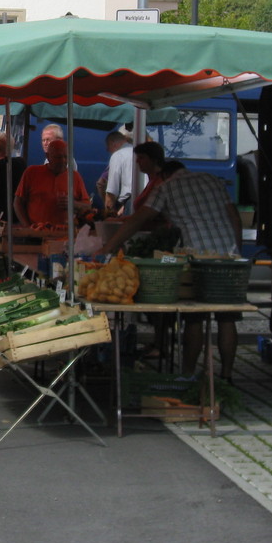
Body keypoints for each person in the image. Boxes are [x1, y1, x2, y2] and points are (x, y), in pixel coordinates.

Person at [100, 168, 244, 382]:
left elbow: (138, 220)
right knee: (227, 317)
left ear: (166, 174)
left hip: (197, 257)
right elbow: (234, 217)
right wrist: (236, 253)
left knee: (194, 318)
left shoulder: (165, 188)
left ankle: (187, 374)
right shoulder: (212, 179)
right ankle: (227, 376)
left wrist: (108, 247)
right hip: (228, 256)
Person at [14, 138, 90, 229]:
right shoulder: (32, 172)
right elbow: (18, 202)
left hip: (64, 233)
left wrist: (74, 204)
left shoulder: (75, 176)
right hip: (37, 232)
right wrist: (27, 227)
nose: (63, 160)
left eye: (66, 157)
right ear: (47, 156)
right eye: (58, 157)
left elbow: (88, 206)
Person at [103, 130, 135, 217]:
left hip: (129, 204)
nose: (107, 150)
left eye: (108, 146)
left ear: (113, 143)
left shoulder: (118, 155)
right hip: (145, 200)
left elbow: (112, 191)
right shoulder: (137, 153)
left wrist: (107, 215)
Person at [131, 141, 167, 211]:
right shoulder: (153, 181)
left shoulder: (160, 183)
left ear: (154, 159)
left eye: (141, 157)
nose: (137, 161)